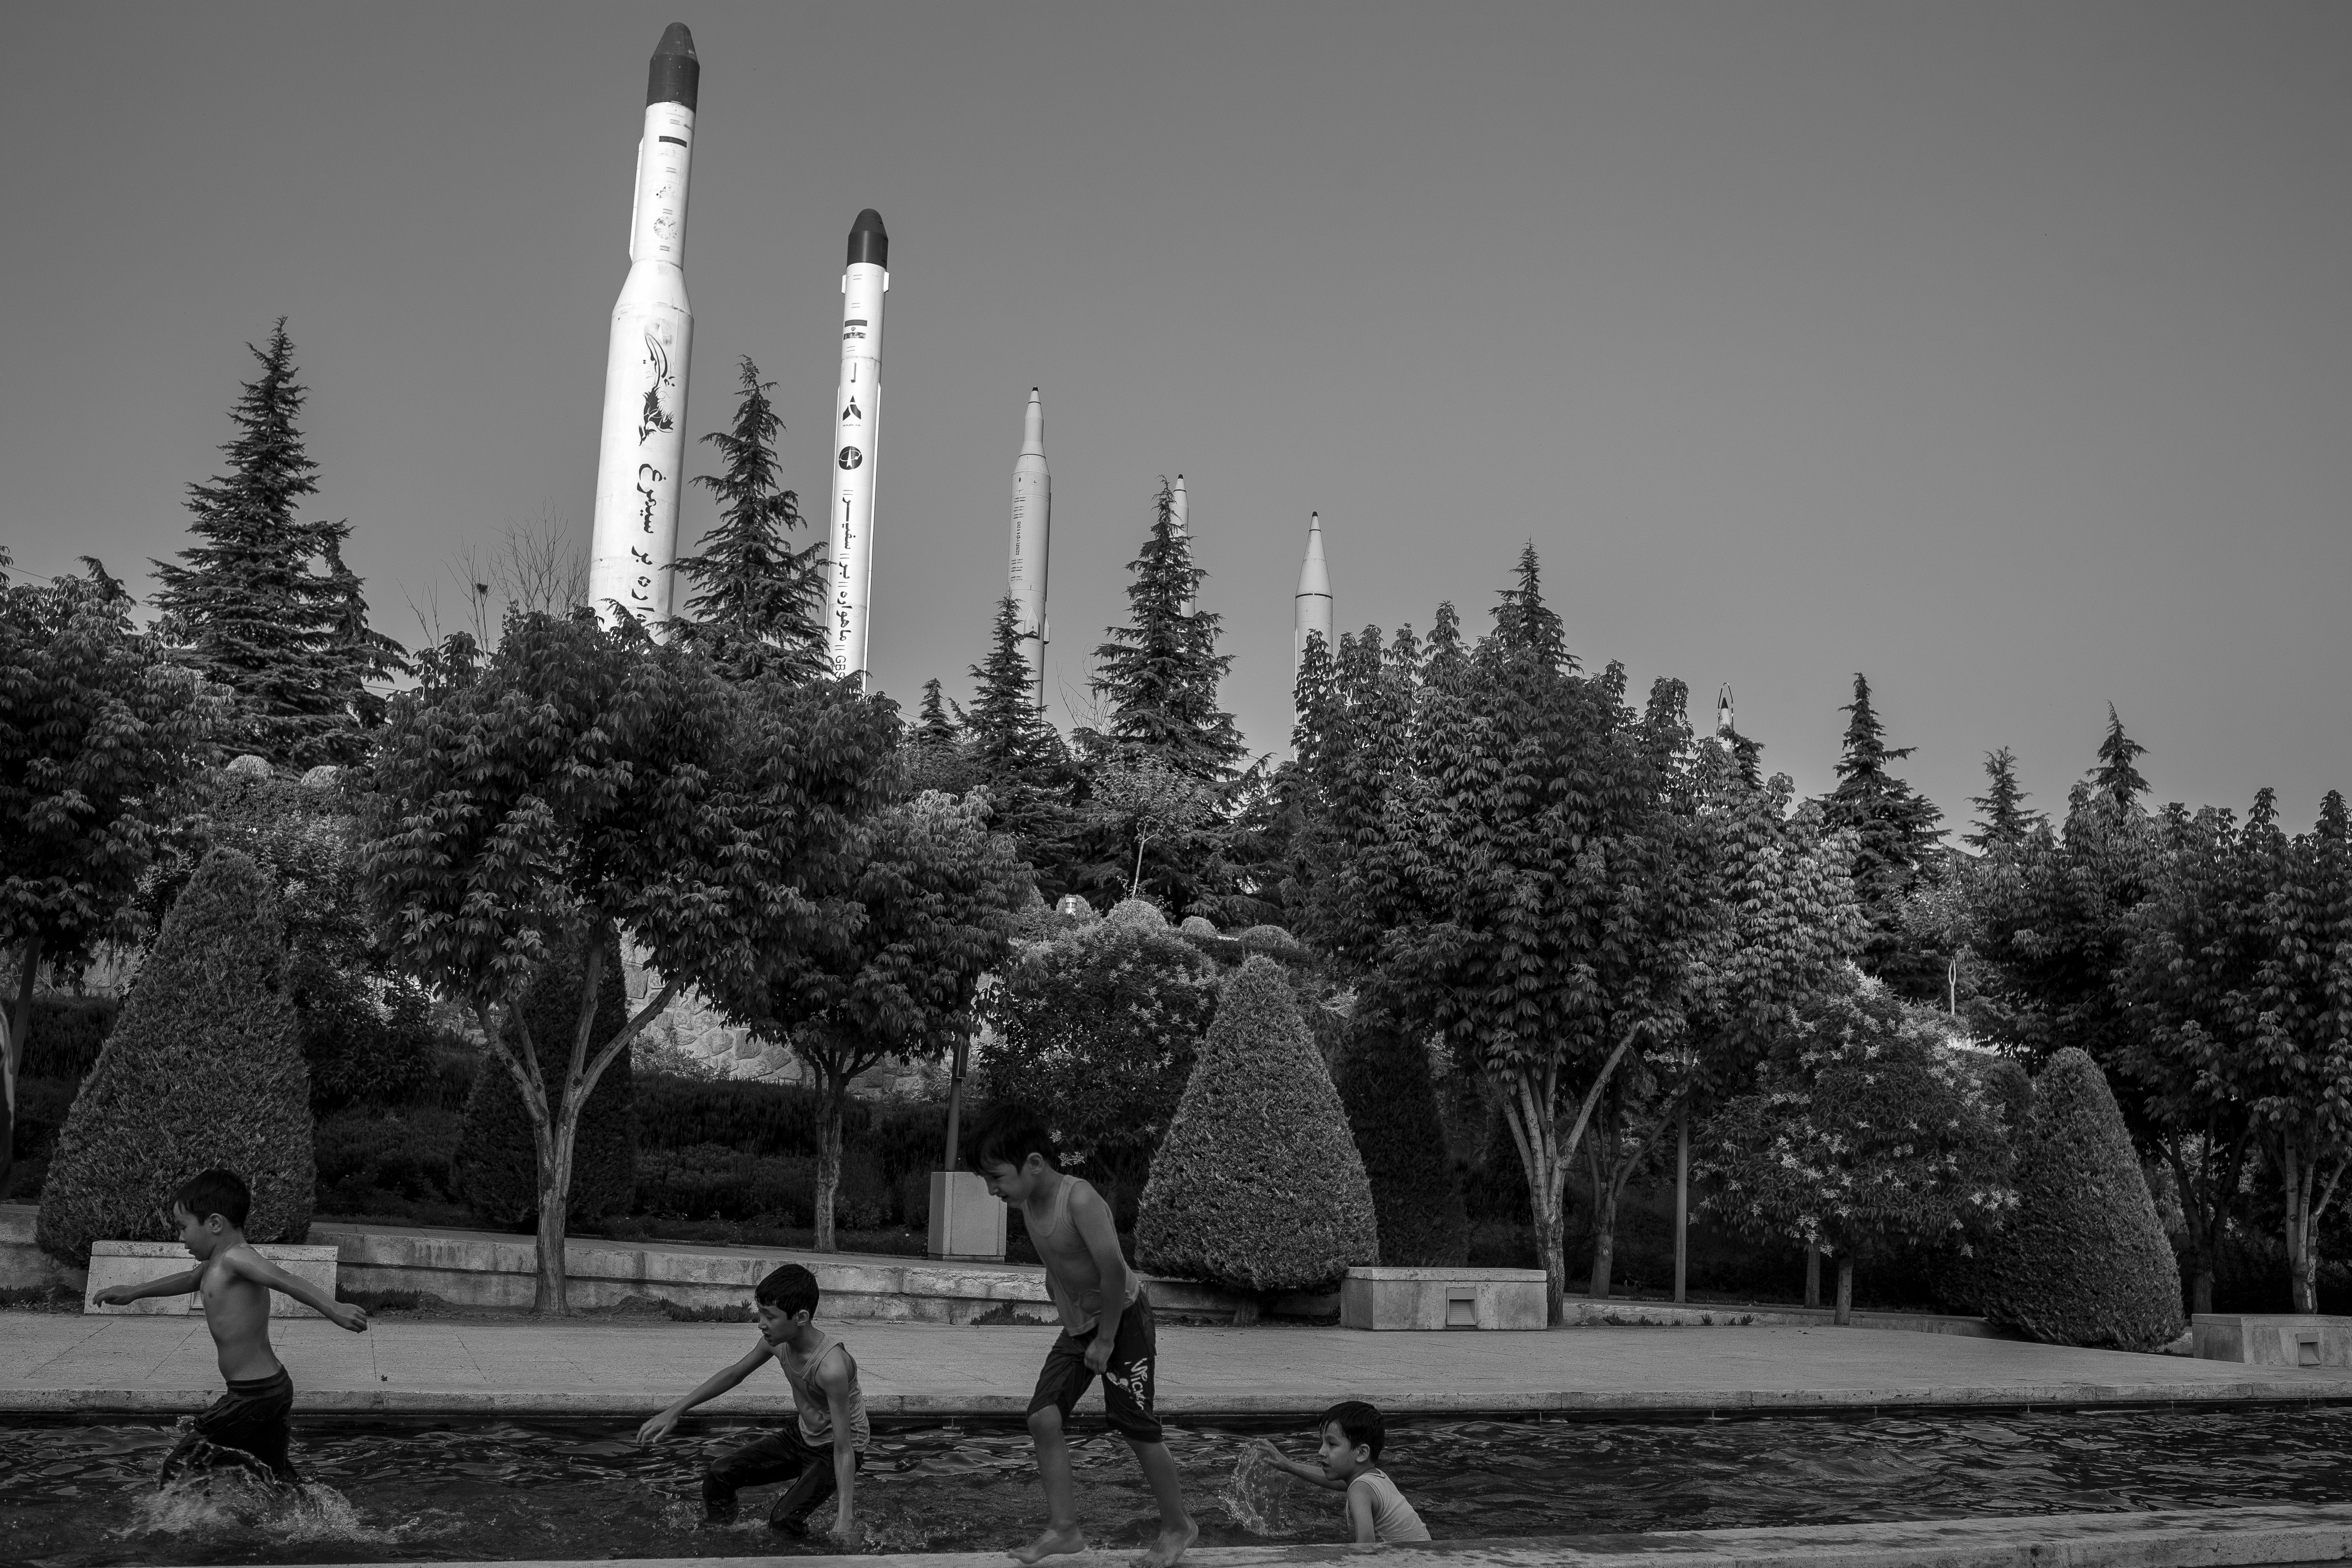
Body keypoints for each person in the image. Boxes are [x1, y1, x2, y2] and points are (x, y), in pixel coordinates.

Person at [967, 1105, 1196, 1568]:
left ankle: (1178, 1526)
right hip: (1080, 1327)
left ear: (1034, 1163)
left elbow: (1113, 1271)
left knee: (1136, 1427)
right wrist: (1062, 1299)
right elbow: (1061, 1259)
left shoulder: (1081, 1200)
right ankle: (1065, 1528)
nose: (992, 1190)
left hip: (1123, 1320)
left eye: (996, 1177)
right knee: (1042, 1418)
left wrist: (1106, 1340)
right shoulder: (1028, 1203)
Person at [92, 1168, 369, 1485]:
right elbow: (188, 1279)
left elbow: (285, 1279)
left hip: (254, 1396)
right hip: (269, 1390)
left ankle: (180, 1518)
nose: (180, 1238)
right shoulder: (215, 1262)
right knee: (274, 1479)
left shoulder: (238, 1258)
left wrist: (334, 1308)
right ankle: (313, 1512)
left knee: (179, 1468)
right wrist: (134, 1291)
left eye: (183, 1228)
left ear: (214, 1223)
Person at [636, 1263, 867, 1544]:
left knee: (783, 1522)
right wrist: (675, 1411)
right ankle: (723, 1539)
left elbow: (844, 1449)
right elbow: (734, 1374)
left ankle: (821, 1553)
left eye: (770, 1316)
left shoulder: (832, 1368)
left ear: (801, 1318)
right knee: (719, 1474)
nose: (761, 1323)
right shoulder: (777, 1342)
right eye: (761, 1313)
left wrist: (845, 1521)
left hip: (838, 1448)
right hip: (804, 1435)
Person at [1251, 1401, 1430, 1544]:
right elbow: (1332, 1481)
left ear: (1361, 1453)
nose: (1321, 1451)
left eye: (1332, 1444)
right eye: (1322, 1442)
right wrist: (1289, 1465)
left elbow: (1366, 1547)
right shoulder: (1373, 1479)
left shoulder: (1359, 1490)